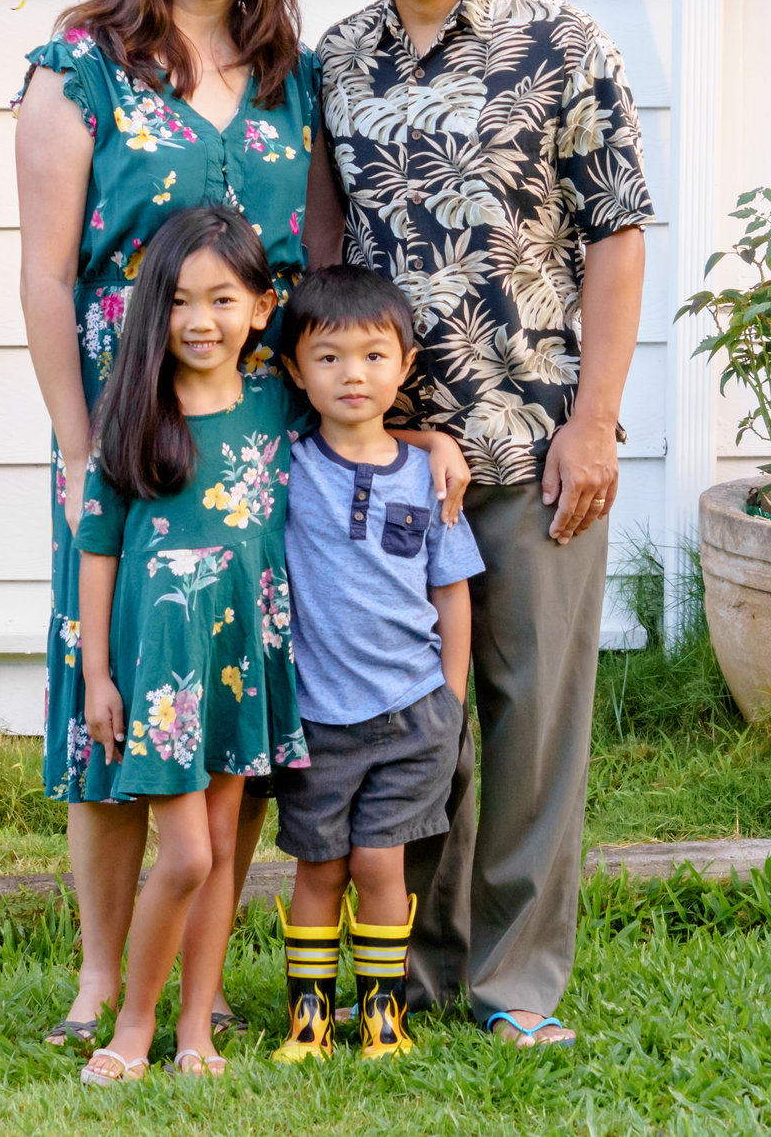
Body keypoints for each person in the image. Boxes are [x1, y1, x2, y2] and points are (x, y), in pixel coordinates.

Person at [306, 0, 655, 1046]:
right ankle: (420, 967)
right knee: (416, 717)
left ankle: (513, 984)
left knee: (531, 720)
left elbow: (617, 237)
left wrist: (598, 422)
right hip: (385, 466)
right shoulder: (336, 63)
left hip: (533, 447)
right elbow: (326, 248)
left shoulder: (564, 43)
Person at [15, 0, 320, 1046]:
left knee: (231, 688)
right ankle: (100, 973)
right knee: (115, 701)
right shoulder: (79, 62)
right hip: (124, 429)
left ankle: (201, 967)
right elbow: (44, 276)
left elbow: (320, 263)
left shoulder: (295, 71)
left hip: (260, 437)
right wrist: (78, 445)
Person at [74, 206, 310, 1084]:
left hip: (241, 657)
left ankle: (194, 1034)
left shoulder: (278, 406)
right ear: (154, 310)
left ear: (260, 305)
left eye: (221, 298)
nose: (199, 320)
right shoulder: (133, 409)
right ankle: (132, 1030)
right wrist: (97, 674)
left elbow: (366, 432)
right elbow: (96, 549)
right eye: (178, 301)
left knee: (219, 855)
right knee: (187, 854)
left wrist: (432, 443)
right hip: (161, 664)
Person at [270, 266, 484, 1064]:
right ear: (296, 371)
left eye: (371, 356)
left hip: (411, 711)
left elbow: (452, 592)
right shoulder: (289, 468)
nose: (351, 374)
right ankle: (308, 1026)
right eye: (327, 359)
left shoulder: (431, 481)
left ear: (404, 366)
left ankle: (383, 1022)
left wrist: (449, 698)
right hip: (317, 717)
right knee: (320, 867)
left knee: (380, 861)